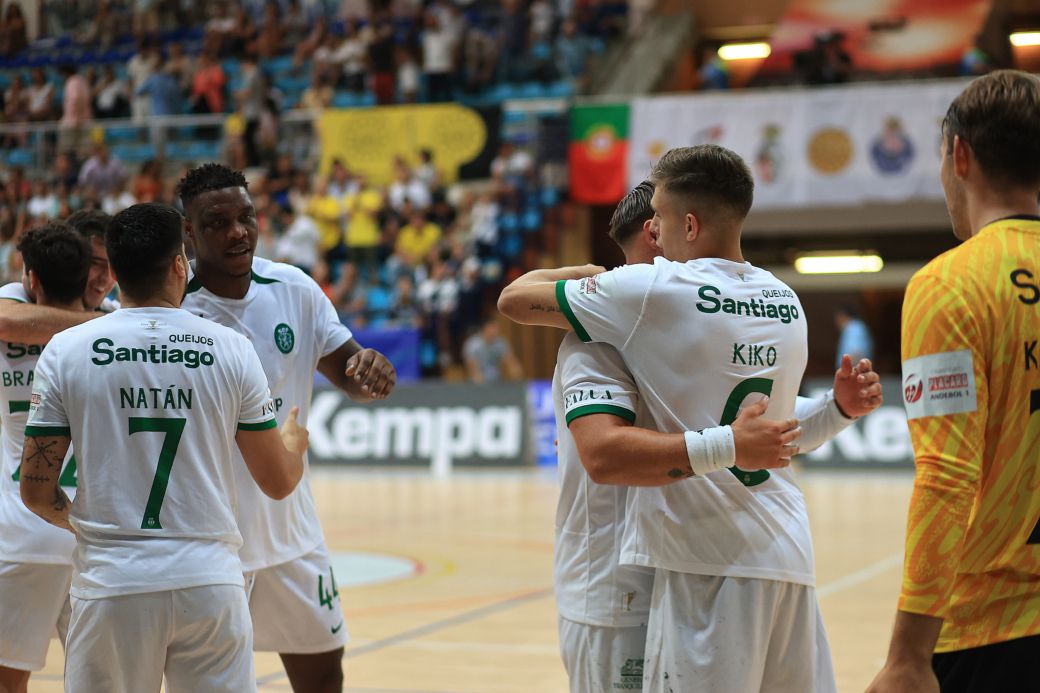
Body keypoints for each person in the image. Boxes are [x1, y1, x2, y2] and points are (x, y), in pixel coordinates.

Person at [499, 145, 856, 692]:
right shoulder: (779, 297)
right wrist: (835, 411)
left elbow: (514, 300)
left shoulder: (652, 297)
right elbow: (768, 431)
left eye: (666, 221)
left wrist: (591, 274)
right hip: (702, 568)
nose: (663, 238)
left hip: (694, 564)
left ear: (680, 225)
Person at [19, 203, 309, 692]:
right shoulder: (231, 348)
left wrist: (89, 527)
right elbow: (277, 482)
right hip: (209, 584)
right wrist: (293, 445)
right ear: (180, 265)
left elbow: (36, 491)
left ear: (114, 272)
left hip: (113, 583)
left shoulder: (66, 350)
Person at [177, 164, 397, 693]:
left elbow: (351, 375)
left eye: (246, 216)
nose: (238, 231)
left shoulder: (293, 288)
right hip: (212, 539)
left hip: (292, 533)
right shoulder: (171, 306)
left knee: (323, 672)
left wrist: (370, 369)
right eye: (218, 222)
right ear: (188, 233)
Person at [867, 70, 1040, 693]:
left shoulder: (951, 285)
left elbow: (948, 476)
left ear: (959, 155)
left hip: (995, 637)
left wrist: (909, 655)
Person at [0, 222, 91, 692]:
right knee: (109, 682)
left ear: (31, 278)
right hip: (93, 535)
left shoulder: (10, 313)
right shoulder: (110, 334)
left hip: (21, 534)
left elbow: (11, 320)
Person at [0, 209, 117, 347]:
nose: (106, 277)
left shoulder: (112, 310)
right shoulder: (17, 294)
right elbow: (4, 323)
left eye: (114, 266)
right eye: (96, 263)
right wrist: (101, 323)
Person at [463, 318, 522, 383]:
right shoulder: (472, 344)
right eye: (492, 327)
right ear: (484, 329)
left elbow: (511, 362)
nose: (496, 330)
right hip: (477, 383)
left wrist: (516, 375)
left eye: (496, 328)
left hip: (497, 381)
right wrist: (481, 384)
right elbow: (473, 368)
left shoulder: (501, 344)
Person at [834, 304, 873, 368]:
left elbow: (856, 352)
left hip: (852, 373)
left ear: (841, 316)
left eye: (837, 320)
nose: (836, 324)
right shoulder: (857, 327)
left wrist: (848, 372)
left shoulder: (853, 328)